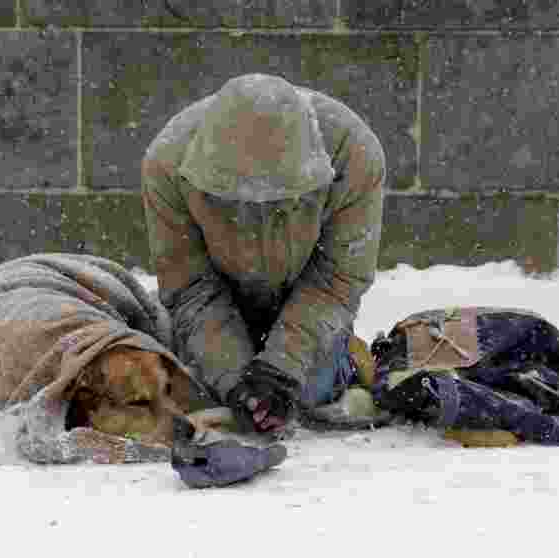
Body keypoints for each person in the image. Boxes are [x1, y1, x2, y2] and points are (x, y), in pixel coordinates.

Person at [141, 73, 385, 434]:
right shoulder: (167, 163)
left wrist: (280, 370)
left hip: (307, 301)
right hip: (219, 302)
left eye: (278, 203)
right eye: (231, 201)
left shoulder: (354, 155)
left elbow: (338, 279)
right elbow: (190, 285)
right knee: (193, 390)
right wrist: (236, 381)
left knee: (308, 393)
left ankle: (340, 361)